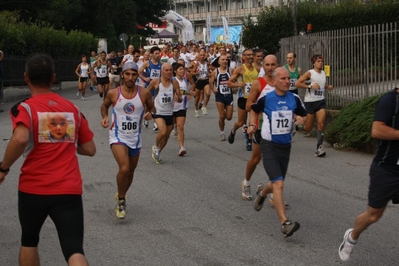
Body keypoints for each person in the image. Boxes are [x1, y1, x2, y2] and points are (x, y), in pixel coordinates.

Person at [0, 53, 96, 265]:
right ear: (53, 78)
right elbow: (90, 149)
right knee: (73, 248)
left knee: (29, 241)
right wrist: (65, 140)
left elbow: (21, 138)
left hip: (33, 188)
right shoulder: (73, 109)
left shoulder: (24, 108)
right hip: (68, 189)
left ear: (26, 78)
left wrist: (3, 168)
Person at [338, 87, 399, 261]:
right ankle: (351, 237)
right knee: (373, 215)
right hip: (386, 169)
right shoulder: (389, 101)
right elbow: (377, 130)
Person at [251, 67, 307, 238]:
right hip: (268, 145)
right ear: (274, 81)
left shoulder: (295, 98)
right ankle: (285, 223)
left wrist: (299, 118)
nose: (287, 81)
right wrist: (253, 125)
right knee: (279, 184)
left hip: (285, 147)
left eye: (288, 78)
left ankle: (261, 193)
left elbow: (303, 115)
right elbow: (254, 109)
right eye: (282, 78)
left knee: (276, 182)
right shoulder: (267, 98)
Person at [101, 61, 155, 220]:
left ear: (137, 75)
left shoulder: (144, 93)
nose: (130, 77)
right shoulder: (113, 93)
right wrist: (105, 117)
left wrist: (151, 113)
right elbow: (104, 106)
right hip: (118, 136)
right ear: (122, 75)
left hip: (135, 138)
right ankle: (122, 201)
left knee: (131, 171)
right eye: (127, 74)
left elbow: (152, 108)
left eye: (133, 74)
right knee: (124, 168)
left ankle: (121, 194)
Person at [241, 55, 278, 200]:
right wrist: (251, 123)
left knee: (276, 160)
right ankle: (246, 182)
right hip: (261, 126)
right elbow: (248, 105)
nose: (270, 68)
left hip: (278, 129)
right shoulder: (259, 83)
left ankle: (275, 191)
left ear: (277, 65)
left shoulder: (281, 82)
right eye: (267, 65)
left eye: (273, 65)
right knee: (256, 159)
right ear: (263, 66)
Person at [295, 54, 333, 157]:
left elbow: (320, 85)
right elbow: (297, 83)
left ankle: (319, 148)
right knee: (308, 128)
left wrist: (327, 86)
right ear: (314, 63)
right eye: (318, 61)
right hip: (310, 102)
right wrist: (310, 86)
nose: (320, 63)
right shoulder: (309, 73)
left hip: (320, 101)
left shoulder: (324, 73)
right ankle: (296, 127)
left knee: (321, 124)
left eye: (321, 61)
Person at [146, 63, 182, 164]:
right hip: (158, 111)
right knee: (162, 131)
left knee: (166, 136)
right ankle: (156, 146)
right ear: (162, 71)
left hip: (169, 112)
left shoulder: (174, 83)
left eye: (170, 70)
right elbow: (146, 94)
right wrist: (148, 109)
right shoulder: (156, 82)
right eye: (166, 70)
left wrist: (178, 98)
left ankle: (157, 152)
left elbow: (180, 98)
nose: (169, 72)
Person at [227, 49, 258, 151]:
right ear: (243, 57)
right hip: (243, 98)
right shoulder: (240, 69)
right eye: (248, 55)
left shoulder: (257, 68)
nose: (250, 57)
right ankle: (233, 130)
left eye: (251, 55)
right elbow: (229, 83)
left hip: (253, 98)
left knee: (252, 121)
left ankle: (249, 140)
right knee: (241, 122)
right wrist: (239, 84)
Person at [209, 55, 234, 141]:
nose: (224, 61)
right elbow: (211, 82)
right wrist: (213, 89)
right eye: (222, 60)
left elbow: (236, 79)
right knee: (222, 115)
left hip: (229, 95)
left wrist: (235, 85)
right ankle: (222, 132)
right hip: (219, 95)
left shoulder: (231, 70)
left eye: (226, 60)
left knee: (229, 117)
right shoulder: (215, 72)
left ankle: (223, 122)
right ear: (219, 62)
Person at [139, 46, 162, 131]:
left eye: (158, 53)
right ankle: (146, 115)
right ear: (151, 54)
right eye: (156, 53)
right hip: (149, 87)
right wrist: (145, 78)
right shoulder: (147, 63)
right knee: (148, 105)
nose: (158, 55)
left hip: (158, 88)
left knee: (156, 105)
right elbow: (139, 72)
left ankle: (156, 123)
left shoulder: (161, 64)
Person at [172, 62, 191, 155]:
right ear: (175, 71)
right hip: (171, 107)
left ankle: (181, 147)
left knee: (181, 127)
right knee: (167, 130)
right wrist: (174, 95)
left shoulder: (185, 80)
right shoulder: (172, 80)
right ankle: (158, 147)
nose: (182, 71)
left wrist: (189, 94)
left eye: (183, 69)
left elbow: (186, 91)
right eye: (180, 69)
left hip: (181, 107)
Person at [190, 49, 211, 117]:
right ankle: (196, 110)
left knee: (208, 93)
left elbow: (209, 72)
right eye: (201, 55)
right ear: (198, 56)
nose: (202, 56)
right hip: (199, 81)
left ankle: (204, 107)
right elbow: (192, 73)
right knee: (197, 98)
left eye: (203, 55)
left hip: (205, 80)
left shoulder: (207, 64)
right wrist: (197, 73)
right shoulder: (197, 64)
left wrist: (209, 74)